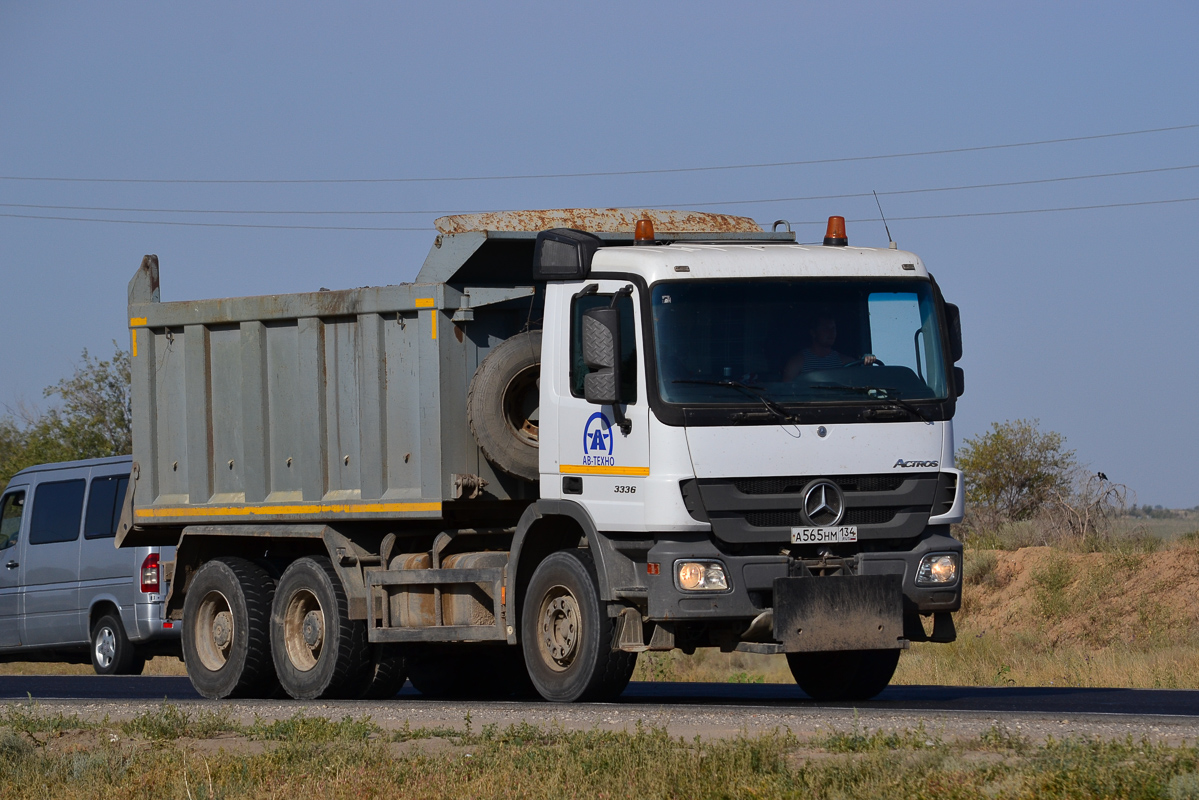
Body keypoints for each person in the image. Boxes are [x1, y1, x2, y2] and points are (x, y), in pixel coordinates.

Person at [782, 315, 875, 380]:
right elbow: (786, 392)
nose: (831, 333)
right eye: (825, 328)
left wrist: (866, 364)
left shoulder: (845, 362)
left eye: (833, 328)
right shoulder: (797, 362)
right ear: (813, 333)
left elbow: (862, 383)